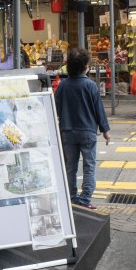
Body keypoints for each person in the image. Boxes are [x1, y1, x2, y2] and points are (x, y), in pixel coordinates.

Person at [54, 48, 111, 210]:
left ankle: (71, 198)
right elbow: (98, 109)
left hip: (67, 131)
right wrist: (105, 130)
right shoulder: (90, 86)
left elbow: (56, 109)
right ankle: (85, 199)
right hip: (87, 132)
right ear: (86, 67)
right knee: (89, 166)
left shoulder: (63, 86)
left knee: (70, 167)